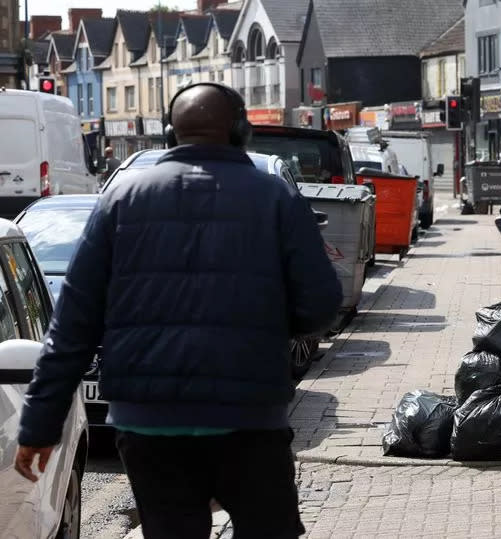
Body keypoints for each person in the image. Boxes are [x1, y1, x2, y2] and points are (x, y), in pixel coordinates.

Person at [15, 82, 342, 539]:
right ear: (243, 132)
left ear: (170, 136)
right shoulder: (275, 198)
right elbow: (322, 305)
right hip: (248, 418)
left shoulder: (122, 198)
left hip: (149, 423)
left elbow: (72, 326)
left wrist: (39, 426)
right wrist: (265, 331)